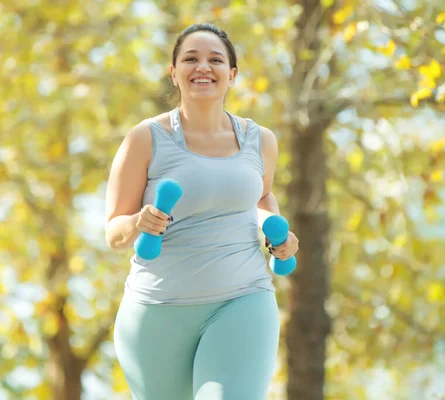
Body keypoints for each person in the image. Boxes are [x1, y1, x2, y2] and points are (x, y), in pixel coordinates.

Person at [104, 23, 299, 400]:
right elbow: (113, 232)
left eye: (215, 60)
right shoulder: (145, 139)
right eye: (190, 59)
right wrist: (139, 222)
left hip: (243, 298)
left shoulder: (261, 140)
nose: (203, 67)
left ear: (232, 75)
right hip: (157, 311)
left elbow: (261, 198)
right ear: (174, 73)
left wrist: (279, 240)